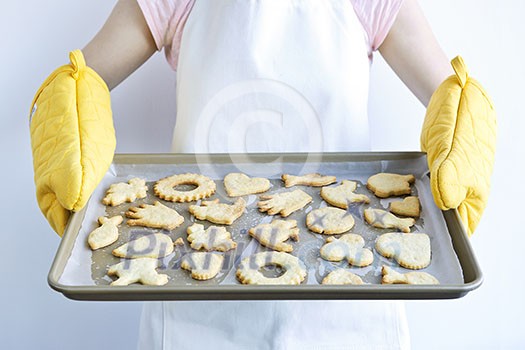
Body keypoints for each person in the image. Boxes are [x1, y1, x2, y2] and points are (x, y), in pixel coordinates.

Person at [30, 0, 495, 349]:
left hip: (346, 291)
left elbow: (448, 96)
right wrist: (67, 123)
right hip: (199, 294)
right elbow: (82, 78)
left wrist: (464, 134)